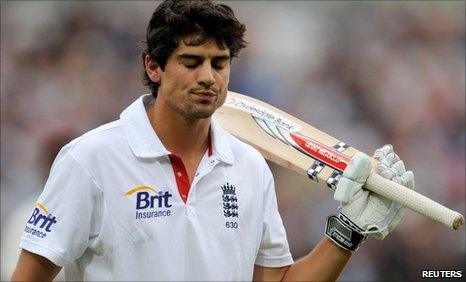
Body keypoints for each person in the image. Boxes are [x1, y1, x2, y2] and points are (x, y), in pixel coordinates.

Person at [12, 1, 414, 281]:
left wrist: (347, 232)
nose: (209, 76)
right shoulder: (91, 159)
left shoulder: (250, 167)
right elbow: (31, 275)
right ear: (154, 67)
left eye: (219, 63)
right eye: (191, 62)